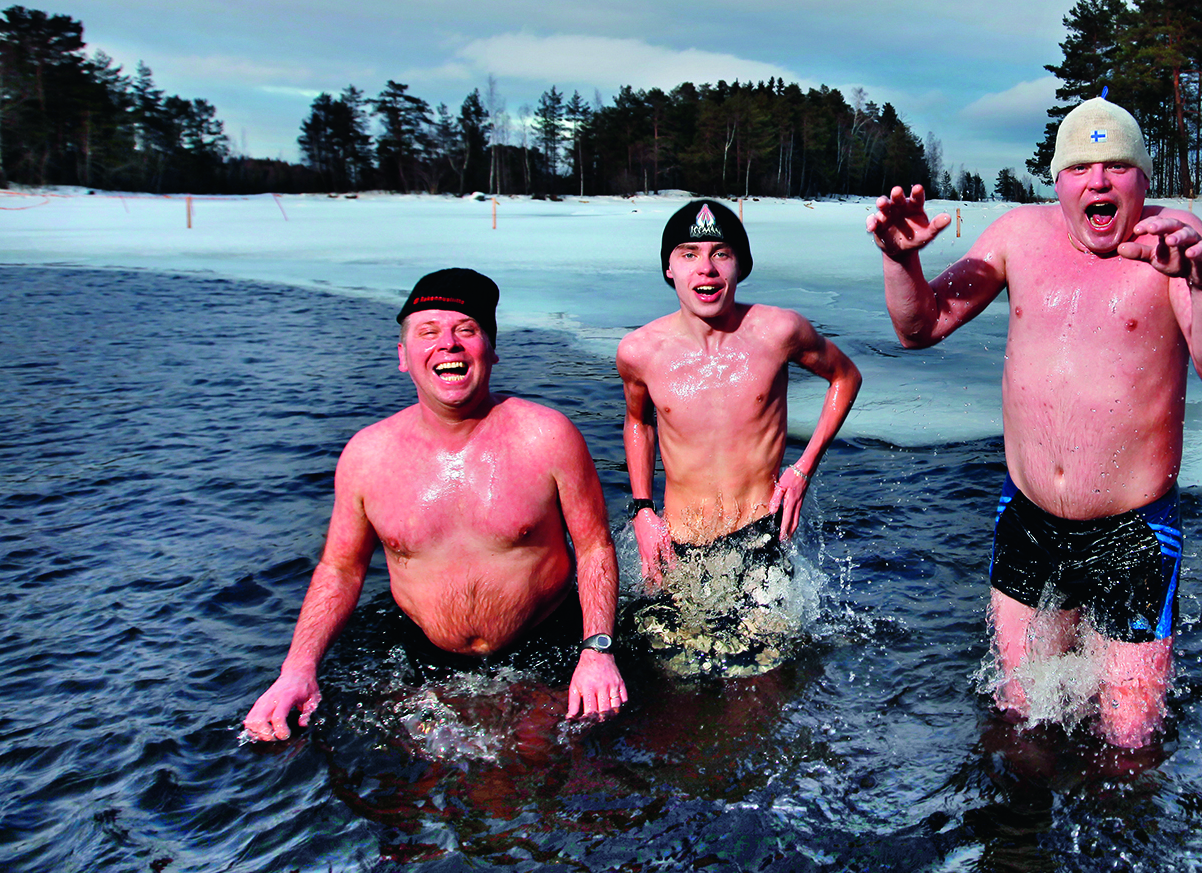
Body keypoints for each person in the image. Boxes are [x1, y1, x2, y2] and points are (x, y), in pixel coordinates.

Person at [867, 96, 1202, 748]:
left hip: (1133, 536)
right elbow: (919, 325)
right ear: (1058, 182)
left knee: (1130, 742)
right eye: (1079, 168)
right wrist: (902, 261)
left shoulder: (1172, 239)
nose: (1097, 181)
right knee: (1021, 719)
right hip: (1028, 521)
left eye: (1116, 166)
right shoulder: (1019, 236)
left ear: (1143, 179)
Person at [243, 268, 628, 740]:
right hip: (424, 660)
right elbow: (340, 569)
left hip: (546, 647)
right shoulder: (368, 456)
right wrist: (297, 670)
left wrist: (597, 652)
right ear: (403, 356)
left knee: (550, 777)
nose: (448, 344)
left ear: (492, 349)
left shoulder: (547, 436)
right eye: (428, 332)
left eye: (466, 330)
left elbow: (593, 548)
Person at [616, 200, 862, 678]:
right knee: (678, 698)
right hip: (679, 550)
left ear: (741, 266)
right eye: (688, 254)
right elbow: (638, 421)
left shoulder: (778, 331)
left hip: (762, 539)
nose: (705, 268)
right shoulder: (640, 351)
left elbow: (845, 377)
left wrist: (801, 470)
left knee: (764, 691)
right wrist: (642, 509)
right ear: (669, 268)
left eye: (720, 253)